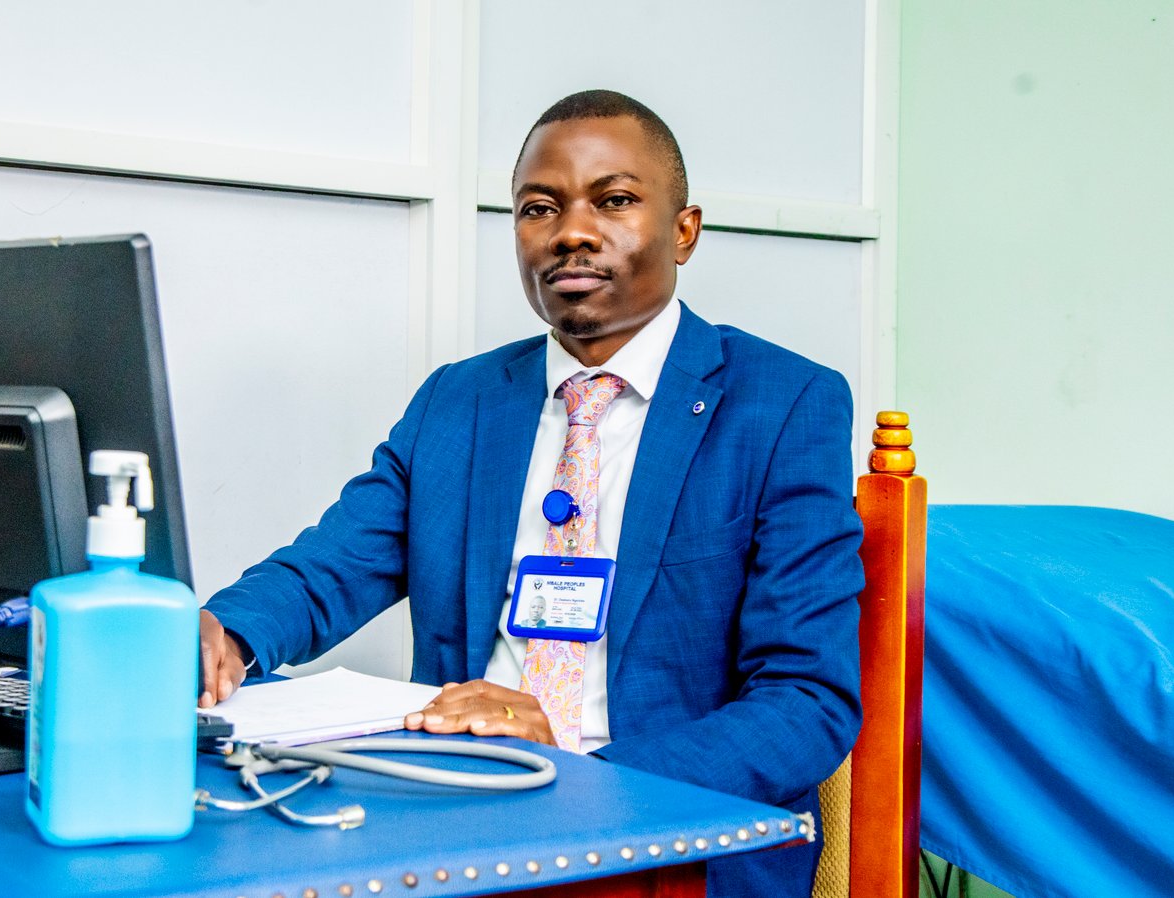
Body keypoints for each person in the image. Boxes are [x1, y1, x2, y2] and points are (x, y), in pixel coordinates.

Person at [199, 90, 863, 895]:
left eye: (614, 201)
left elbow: (806, 702)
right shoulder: (460, 401)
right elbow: (327, 570)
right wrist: (226, 635)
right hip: (457, 820)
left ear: (684, 230)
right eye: (539, 209)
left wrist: (582, 776)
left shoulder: (781, 404)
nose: (571, 232)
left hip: (663, 840)